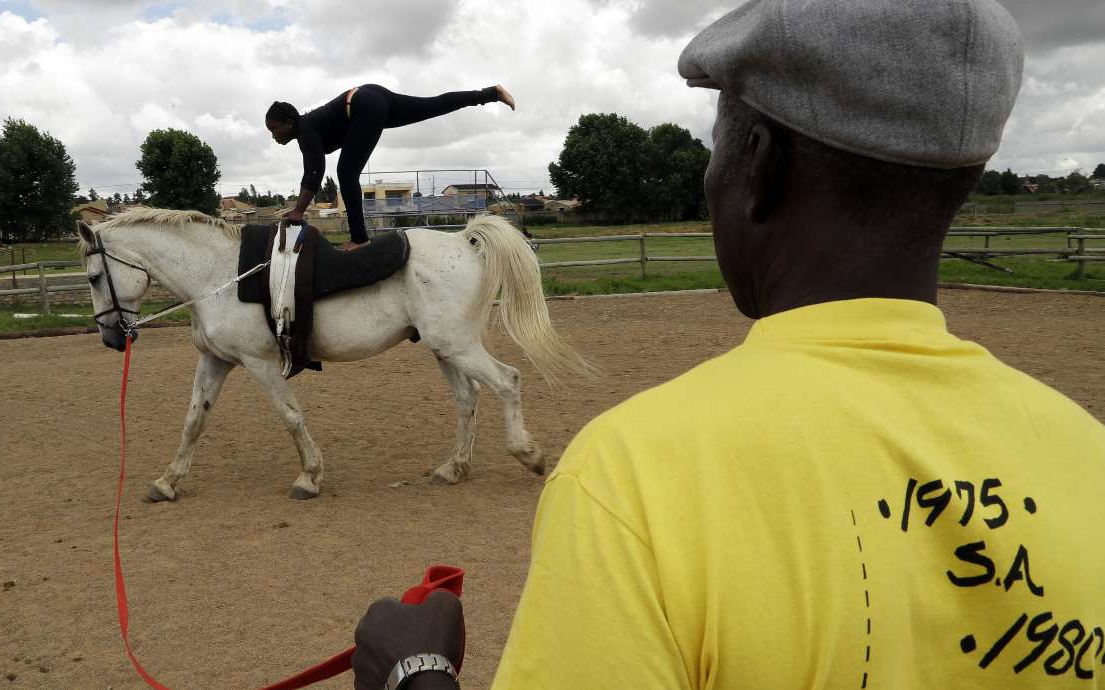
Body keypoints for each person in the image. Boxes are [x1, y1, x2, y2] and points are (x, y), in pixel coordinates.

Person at [350, 1, 1105, 689]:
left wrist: (416, 675)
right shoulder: (1085, 451)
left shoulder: (635, 477)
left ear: (761, 164)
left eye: (719, 144)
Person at [265, 84, 515, 251]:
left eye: (275, 129)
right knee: (431, 106)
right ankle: (491, 93)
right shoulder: (308, 131)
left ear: (289, 122)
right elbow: (311, 171)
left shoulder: (305, 130)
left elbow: (315, 172)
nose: (273, 136)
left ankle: (359, 239)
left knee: (346, 173)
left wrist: (298, 211)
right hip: (370, 98)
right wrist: (299, 207)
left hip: (363, 104)